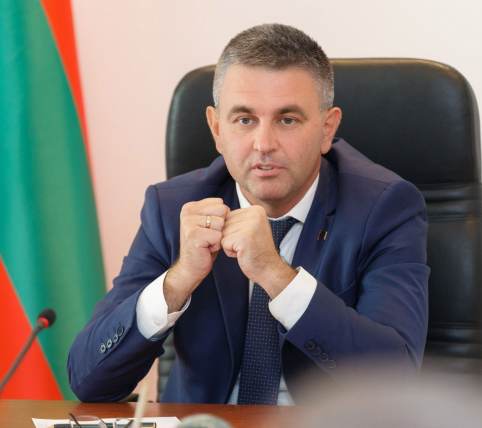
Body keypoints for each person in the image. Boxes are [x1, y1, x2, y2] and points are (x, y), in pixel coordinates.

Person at [67, 23, 429, 405]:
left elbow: (393, 381)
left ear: (327, 128)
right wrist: (178, 280)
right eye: (244, 120)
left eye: (287, 120)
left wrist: (276, 275)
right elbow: (89, 382)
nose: (264, 144)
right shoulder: (172, 208)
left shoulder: (385, 208)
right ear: (216, 128)